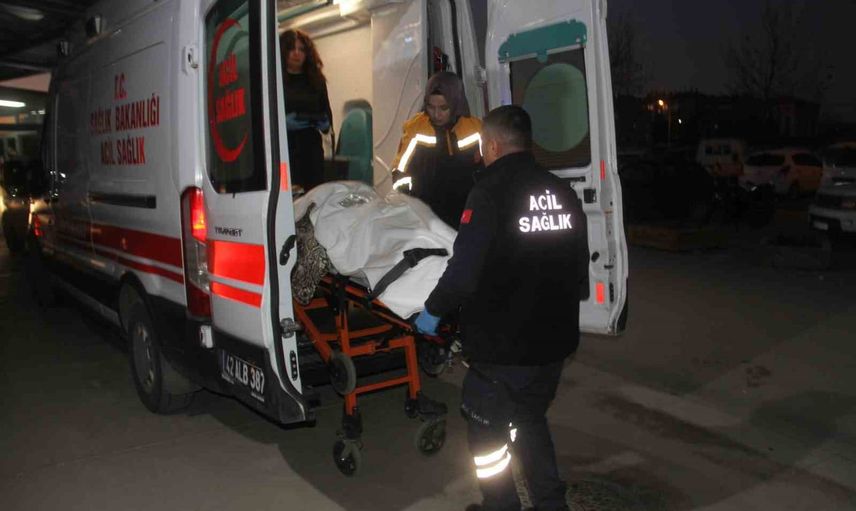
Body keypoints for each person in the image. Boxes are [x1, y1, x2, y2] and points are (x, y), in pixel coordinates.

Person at [414, 106, 590, 511]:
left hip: (503, 350)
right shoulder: (561, 192)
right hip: (553, 347)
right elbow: (580, 269)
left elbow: (463, 274)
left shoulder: (489, 194)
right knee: (530, 421)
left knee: (487, 443)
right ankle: (551, 504)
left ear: (491, 145)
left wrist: (432, 312)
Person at [390, 71, 482, 228]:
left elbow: (488, 169)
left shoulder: (475, 128)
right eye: (431, 107)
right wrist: (408, 203)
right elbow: (399, 171)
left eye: (443, 108)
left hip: (466, 211)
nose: (436, 114)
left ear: (456, 104)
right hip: (427, 214)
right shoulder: (416, 129)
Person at [281, 29, 332, 192]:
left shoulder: (316, 80)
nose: (297, 53)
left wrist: (324, 123)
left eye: (301, 49)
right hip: (285, 149)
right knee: (290, 193)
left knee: (315, 193)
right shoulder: (275, 80)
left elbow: (327, 115)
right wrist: (283, 124)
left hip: (311, 148)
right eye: (291, 48)